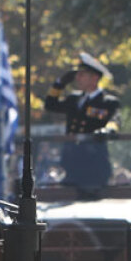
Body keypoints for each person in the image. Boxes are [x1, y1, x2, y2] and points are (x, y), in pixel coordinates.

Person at [43, 52, 120, 187]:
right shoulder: (74, 99)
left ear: (95, 78)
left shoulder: (108, 101)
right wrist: (59, 84)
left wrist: (107, 130)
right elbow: (50, 105)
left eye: (82, 75)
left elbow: (115, 120)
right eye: (77, 75)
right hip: (71, 163)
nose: (77, 78)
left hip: (94, 163)